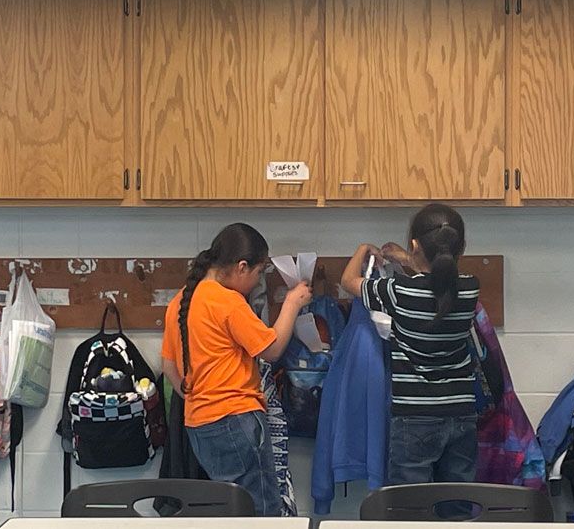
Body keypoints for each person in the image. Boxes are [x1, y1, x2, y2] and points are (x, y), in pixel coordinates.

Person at [161, 223, 312, 516]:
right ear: (242, 267)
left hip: (198, 424)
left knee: (230, 512)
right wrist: (292, 303)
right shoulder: (227, 302)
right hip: (236, 419)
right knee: (261, 511)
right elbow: (272, 349)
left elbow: (169, 366)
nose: (257, 283)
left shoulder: (181, 301)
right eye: (258, 274)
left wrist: (201, 396)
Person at [340, 204, 480, 486]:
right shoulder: (469, 288)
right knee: (458, 504)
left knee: (411, 507)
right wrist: (408, 256)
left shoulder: (398, 291)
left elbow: (348, 281)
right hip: (461, 414)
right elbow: (437, 275)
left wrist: (363, 248)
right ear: (462, 246)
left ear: (415, 245)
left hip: (413, 419)